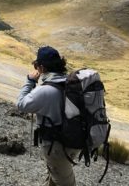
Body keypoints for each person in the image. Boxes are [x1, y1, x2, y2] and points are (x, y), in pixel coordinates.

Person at [17, 46, 81, 186]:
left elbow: (21, 104)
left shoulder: (45, 91)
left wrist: (30, 81)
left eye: (36, 65)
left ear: (42, 67)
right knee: (55, 179)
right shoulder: (71, 84)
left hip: (55, 147)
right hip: (75, 142)